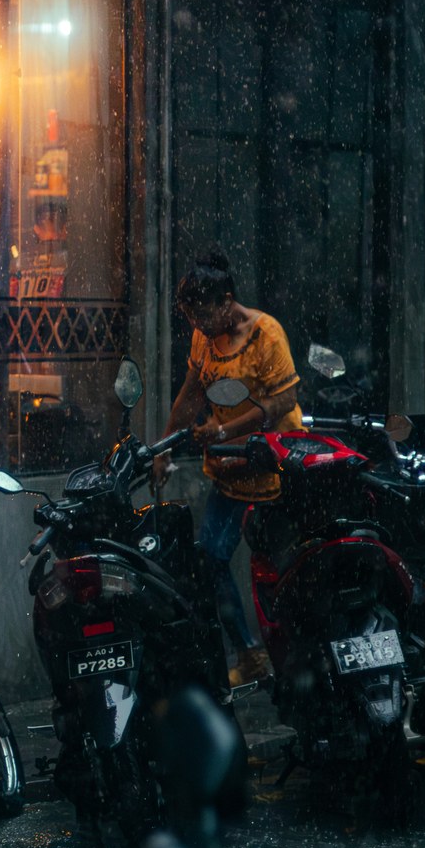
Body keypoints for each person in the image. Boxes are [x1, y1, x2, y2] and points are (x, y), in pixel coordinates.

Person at [154, 247, 296, 687]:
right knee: (210, 561)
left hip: (275, 469)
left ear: (227, 301)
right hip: (231, 474)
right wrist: (161, 447)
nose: (198, 326)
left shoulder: (266, 334)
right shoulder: (204, 335)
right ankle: (249, 654)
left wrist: (223, 430)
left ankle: (293, 658)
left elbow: (282, 402)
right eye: (192, 318)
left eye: (203, 316)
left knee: (278, 570)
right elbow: (192, 393)